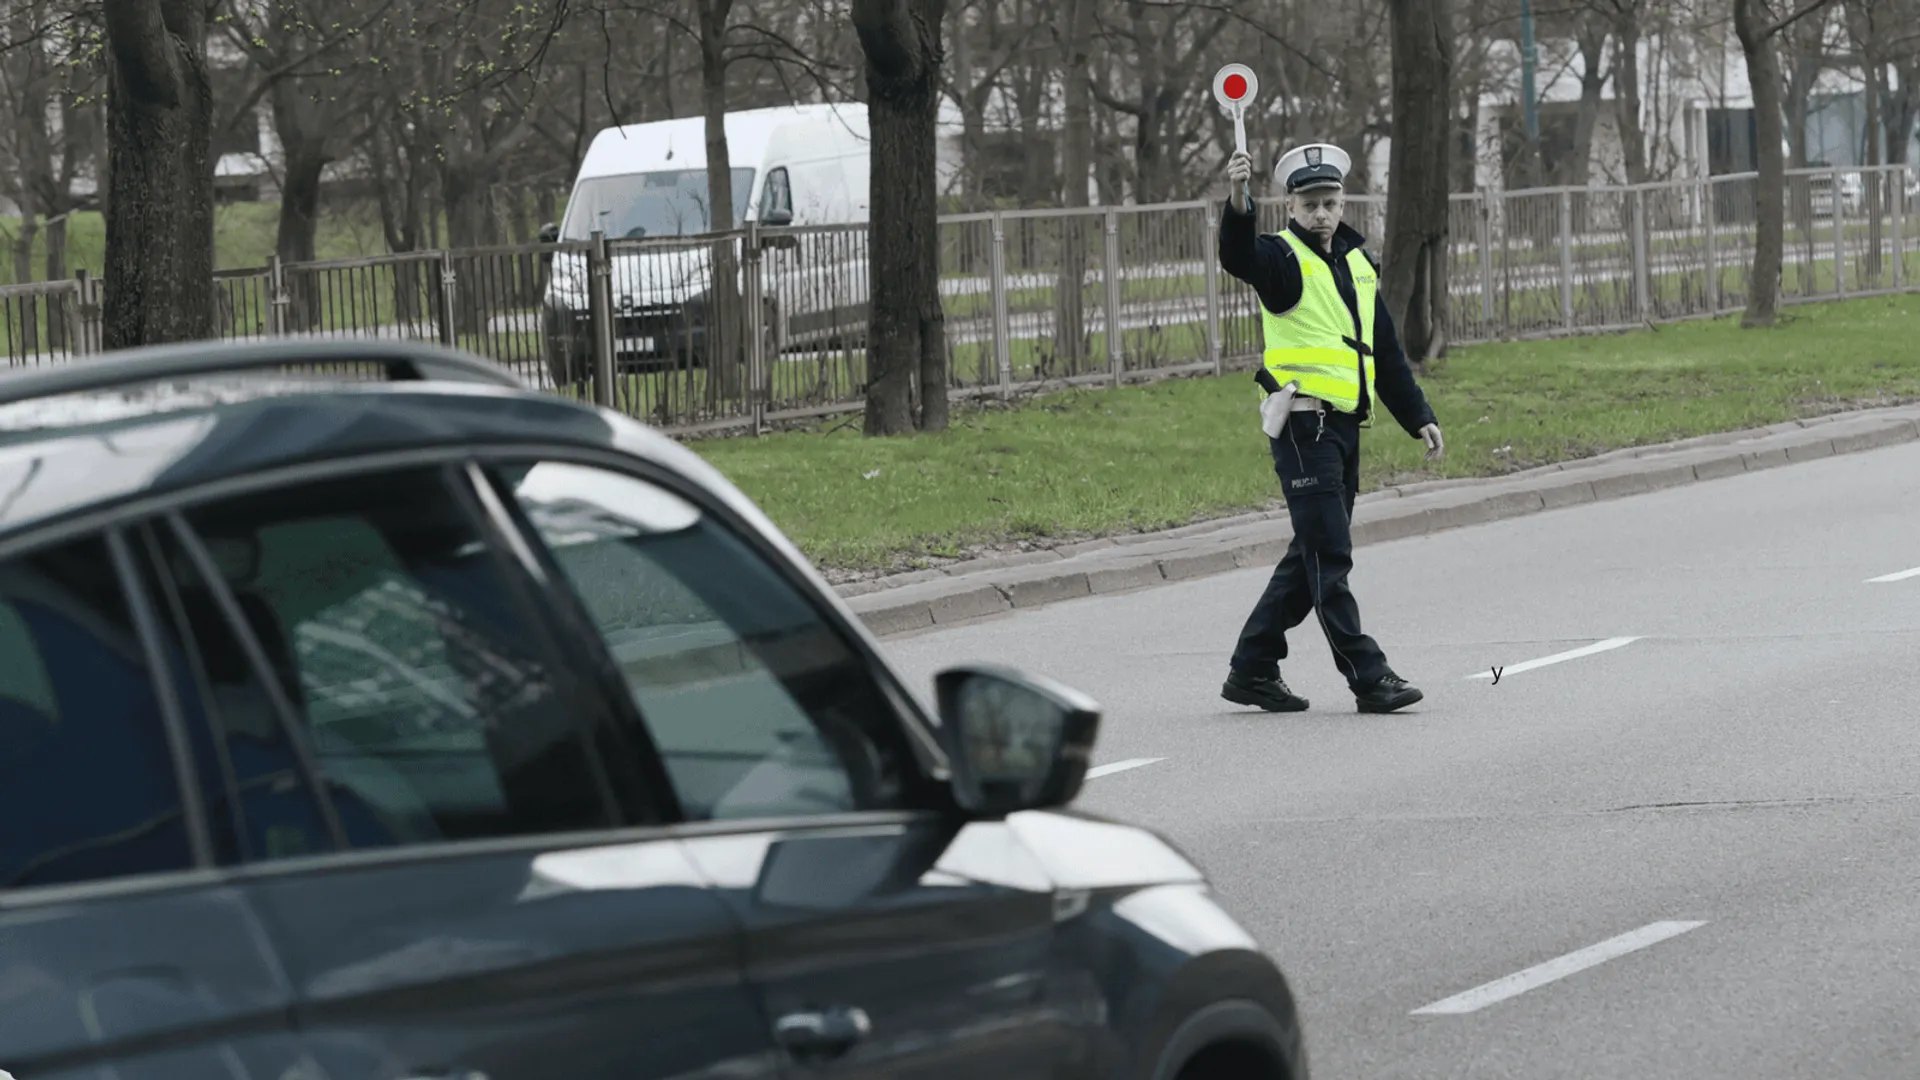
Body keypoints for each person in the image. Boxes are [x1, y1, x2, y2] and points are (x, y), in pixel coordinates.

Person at [1217, 142, 1445, 715]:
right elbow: (1237, 256)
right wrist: (1238, 199)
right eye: (1310, 203)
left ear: (1343, 203)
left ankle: (1252, 668)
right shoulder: (1280, 258)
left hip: (1345, 429)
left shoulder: (1357, 265)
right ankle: (1370, 676)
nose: (1321, 213)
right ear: (1290, 206)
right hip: (1303, 426)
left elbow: (1385, 354)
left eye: (1330, 202)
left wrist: (1420, 418)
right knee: (1330, 555)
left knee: (1312, 554)